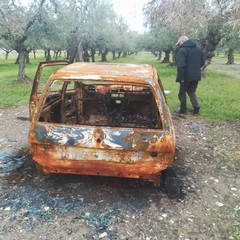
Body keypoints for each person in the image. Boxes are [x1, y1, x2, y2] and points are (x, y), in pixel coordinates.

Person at [175, 36, 205, 114]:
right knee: (191, 91)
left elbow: (181, 65)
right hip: (196, 75)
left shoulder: (182, 50)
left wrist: (181, 77)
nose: (179, 45)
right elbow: (202, 62)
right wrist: (195, 70)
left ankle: (182, 109)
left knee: (182, 92)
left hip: (185, 76)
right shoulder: (199, 49)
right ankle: (196, 107)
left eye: (179, 43)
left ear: (182, 41)